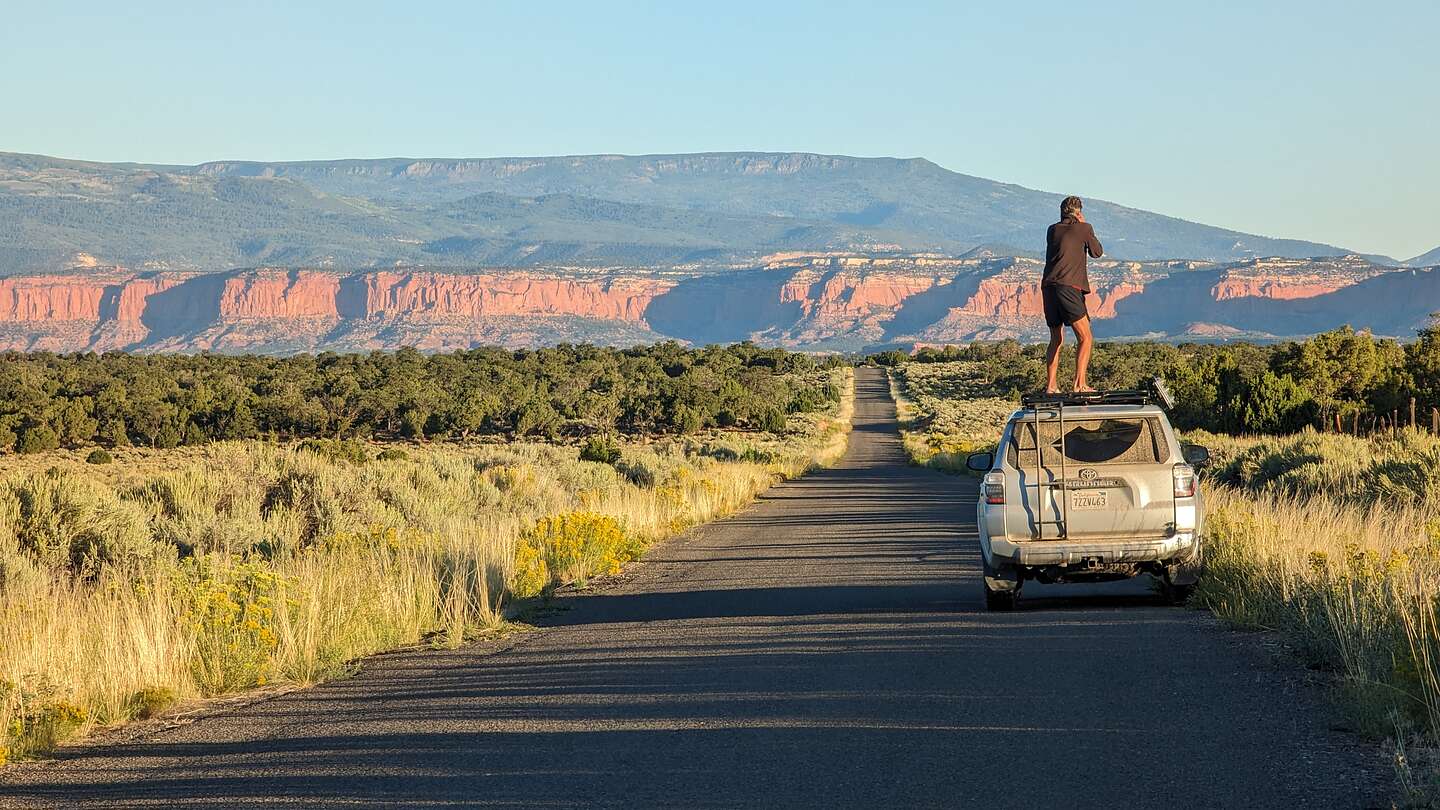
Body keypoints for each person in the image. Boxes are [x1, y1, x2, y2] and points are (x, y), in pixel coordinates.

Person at [1041, 195, 1103, 393]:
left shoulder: (1052, 230)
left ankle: (1051, 386)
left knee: (1056, 339)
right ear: (1078, 212)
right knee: (1086, 337)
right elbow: (1097, 252)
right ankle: (1080, 385)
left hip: (1049, 287)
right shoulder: (1084, 228)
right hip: (1069, 287)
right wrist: (1084, 225)